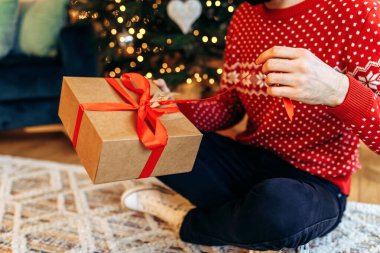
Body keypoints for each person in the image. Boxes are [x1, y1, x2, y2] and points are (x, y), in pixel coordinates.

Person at [121, 0, 380, 250]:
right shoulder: (245, 15)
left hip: (316, 182)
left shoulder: (357, 11)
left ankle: (187, 220)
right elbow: (229, 107)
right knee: (152, 134)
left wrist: (339, 91)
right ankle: (238, 218)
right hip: (248, 160)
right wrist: (170, 109)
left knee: (278, 212)